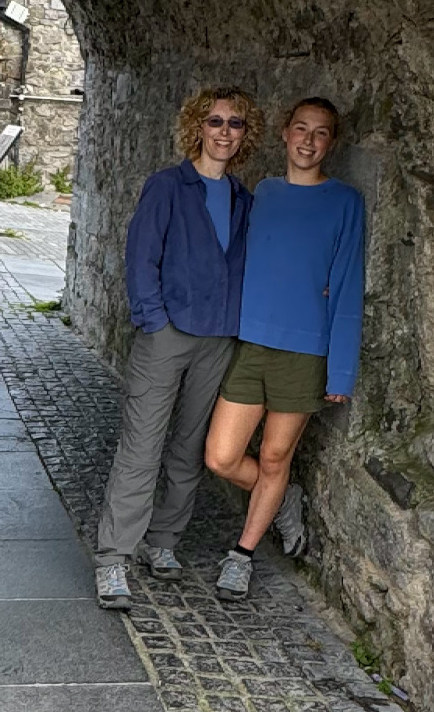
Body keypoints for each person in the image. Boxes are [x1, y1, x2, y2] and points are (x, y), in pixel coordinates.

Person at [93, 86, 259, 611]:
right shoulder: (168, 186)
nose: (224, 132)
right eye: (215, 122)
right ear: (197, 127)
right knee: (141, 447)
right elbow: (142, 257)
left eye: (235, 124)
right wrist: (154, 320)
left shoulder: (243, 199)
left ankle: (162, 541)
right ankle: (113, 557)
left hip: (219, 339)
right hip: (167, 335)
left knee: (189, 448)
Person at [203, 97, 365, 601]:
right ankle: (282, 497)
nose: (309, 141)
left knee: (275, 455)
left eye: (320, 133)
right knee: (221, 457)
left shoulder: (346, 202)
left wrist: (340, 372)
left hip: (305, 351)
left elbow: (346, 286)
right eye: (301, 129)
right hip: (252, 344)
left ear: (331, 143)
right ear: (284, 134)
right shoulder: (264, 194)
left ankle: (242, 555)